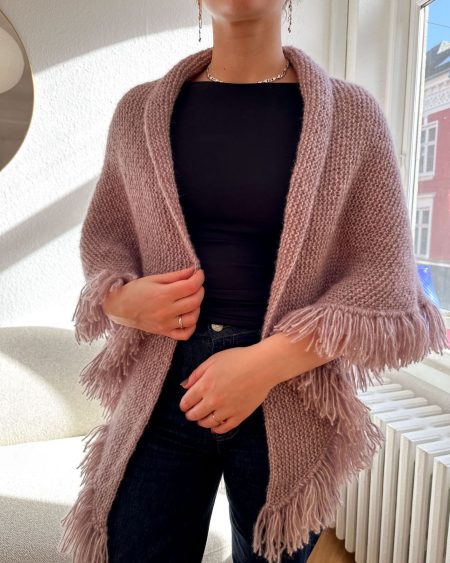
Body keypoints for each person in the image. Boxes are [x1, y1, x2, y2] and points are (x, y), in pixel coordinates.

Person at [103, 0, 323, 561]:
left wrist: (265, 364)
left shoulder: (350, 118)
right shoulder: (139, 112)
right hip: (160, 386)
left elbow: (381, 289)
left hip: (286, 394)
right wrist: (122, 300)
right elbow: (106, 241)